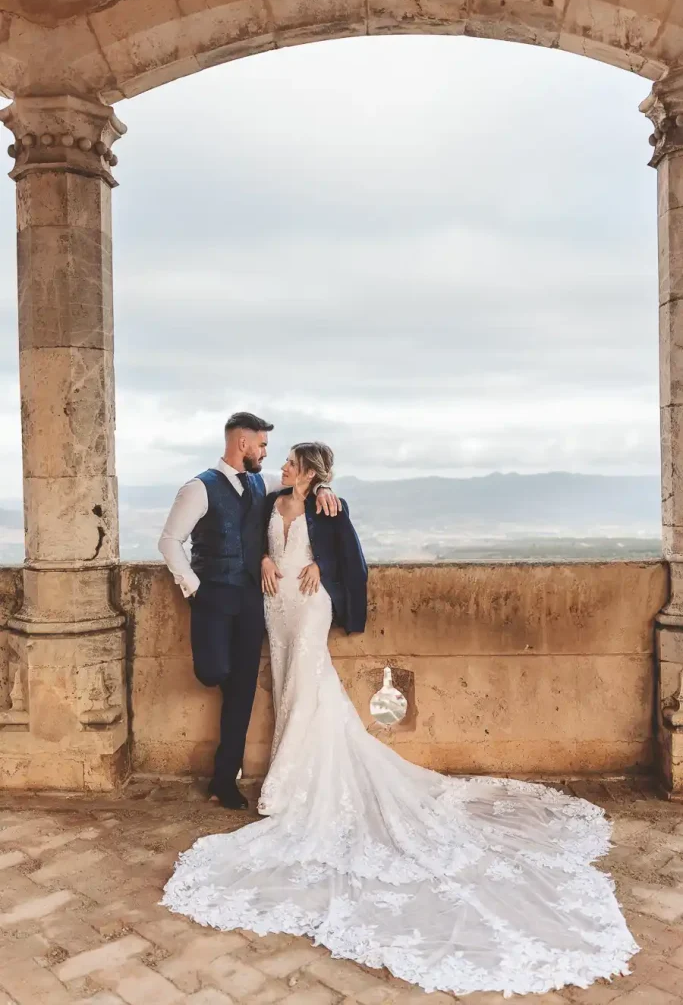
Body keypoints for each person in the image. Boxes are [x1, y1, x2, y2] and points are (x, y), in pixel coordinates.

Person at [162, 441, 638, 997]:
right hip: (276, 606)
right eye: (281, 458)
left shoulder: (325, 503)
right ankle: (294, 773)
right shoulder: (271, 500)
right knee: (289, 687)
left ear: (312, 472)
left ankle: (297, 782)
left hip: (311, 605)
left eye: (291, 460)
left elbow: (346, 554)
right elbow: (248, 536)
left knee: (310, 685)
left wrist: (323, 564)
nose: (281, 465)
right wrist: (265, 560)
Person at [158, 413, 340, 810]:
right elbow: (170, 541)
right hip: (212, 596)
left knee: (241, 692)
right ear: (243, 444)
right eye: (261, 446)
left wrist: (325, 488)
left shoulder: (263, 483)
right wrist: (196, 588)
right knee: (213, 672)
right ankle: (225, 754)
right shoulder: (198, 488)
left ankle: (225, 778)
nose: (265, 454)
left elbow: (306, 483)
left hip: (253, 600)